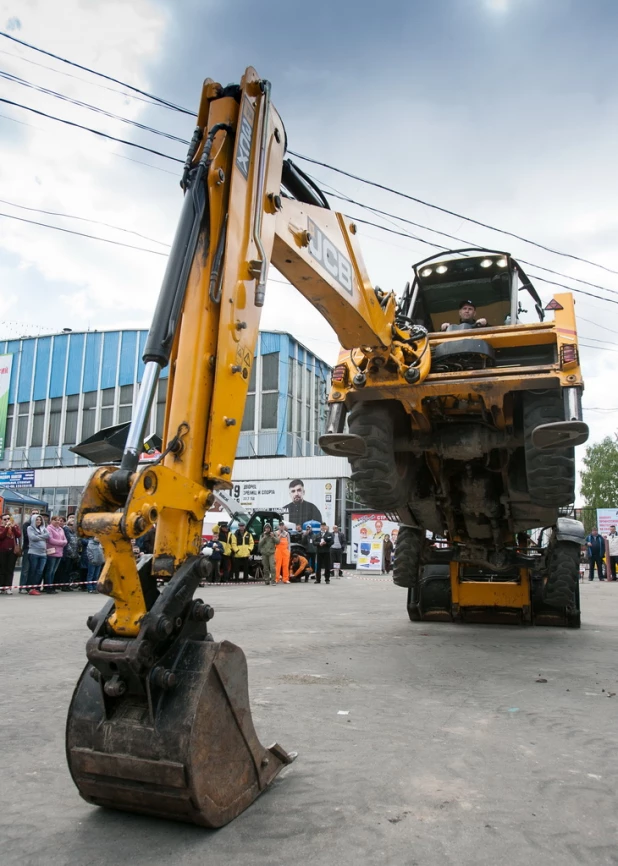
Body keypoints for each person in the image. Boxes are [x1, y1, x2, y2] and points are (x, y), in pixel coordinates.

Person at [42, 515, 68, 594]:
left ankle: (51, 585)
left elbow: (65, 540)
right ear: (51, 521)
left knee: (54, 571)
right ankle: (48, 587)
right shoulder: (49, 528)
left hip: (59, 552)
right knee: (49, 570)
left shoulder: (61, 529)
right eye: (55, 520)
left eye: (59, 520)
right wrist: (61, 543)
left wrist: (62, 543)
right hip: (52, 552)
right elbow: (51, 540)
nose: (57, 521)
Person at [56, 513, 80, 591]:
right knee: (65, 571)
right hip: (67, 555)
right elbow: (67, 543)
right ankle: (63, 585)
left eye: (74, 525)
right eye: (71, 524)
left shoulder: (75, 533)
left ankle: (66, 585)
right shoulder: (66, 530)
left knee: (69, 571)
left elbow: (77, 543)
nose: (72, 526)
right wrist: (71, 553)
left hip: (73, 555)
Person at [26, 514, 49, 595]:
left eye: (40, 520)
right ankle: (30, 588)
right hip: (33, 552)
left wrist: (39, 536)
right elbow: (32, 538)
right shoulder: (30, 528)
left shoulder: (43, 528)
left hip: (43, 554)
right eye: (37, 520)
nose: (39, 521)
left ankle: (36, 587)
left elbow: (48, 535)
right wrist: (43, 537)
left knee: (40, 571)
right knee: (33, 570)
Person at [0, 513, 21, 594]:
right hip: (2, 551)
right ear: (2, 520)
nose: (7, 520)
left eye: (8, 518)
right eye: (5, 519)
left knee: (10, 570)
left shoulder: (14, 526)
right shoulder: (1, 528)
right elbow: (1, 536)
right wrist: (6, 528)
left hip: (12, 551)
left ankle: (8, 587)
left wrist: (12, 527)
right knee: (2, 569)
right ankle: (1, 587)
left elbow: (18, 535)